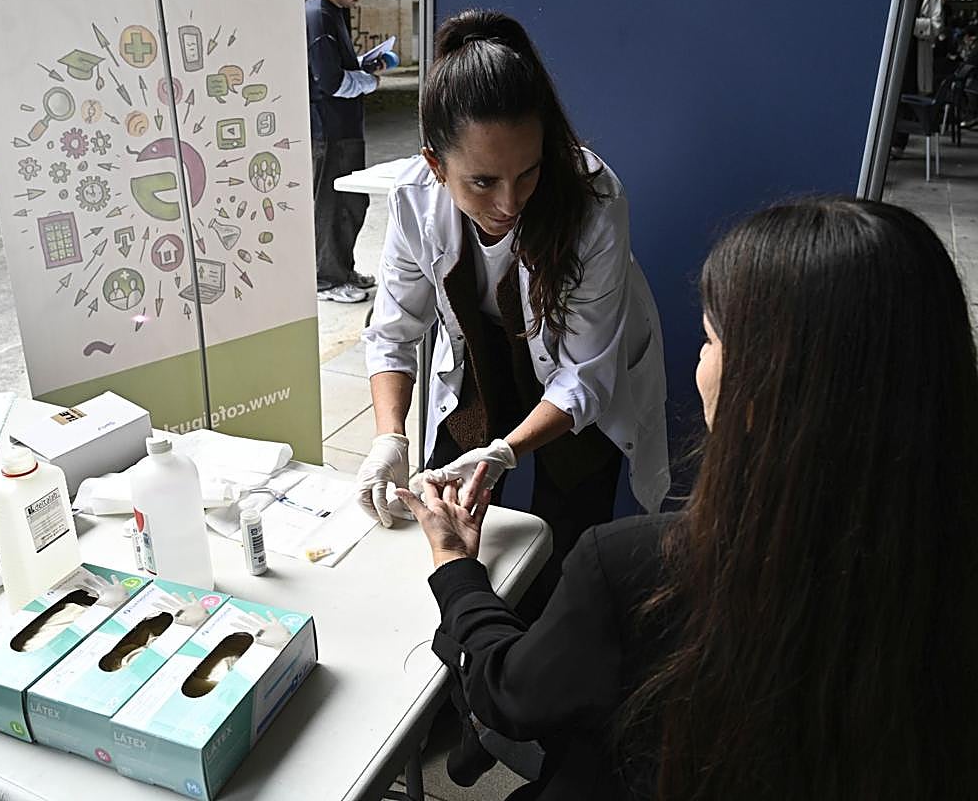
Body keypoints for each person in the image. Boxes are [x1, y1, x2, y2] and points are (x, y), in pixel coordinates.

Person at [399, 197, 978, 800]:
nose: (698, 361)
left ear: (762, 393)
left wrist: (458, 571)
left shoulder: (641, 568)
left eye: (708, 340)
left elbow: (509, 695)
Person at [358, 10, 669, 617]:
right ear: (434, 163)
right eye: (482, 181)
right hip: (483, 353)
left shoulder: (592, 201)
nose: (508, 202)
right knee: (447, 508)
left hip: (576, 361)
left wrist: (505, 451)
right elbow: (394, 333)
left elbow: (585, 377)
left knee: (568, 538)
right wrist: (389, 435)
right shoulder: (414, 200)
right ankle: (464, 637)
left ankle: (545, 662)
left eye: (528, 172)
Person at [306, 0, 384, 304]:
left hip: (346, 128)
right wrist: (370, 81)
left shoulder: (334, 12)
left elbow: (338, 67)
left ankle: (342, 269)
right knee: (332, 205)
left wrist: (363, 63)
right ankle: (327, 280)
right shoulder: (317, 16)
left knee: (352, 203)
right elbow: (331, 81)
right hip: (330, 131)